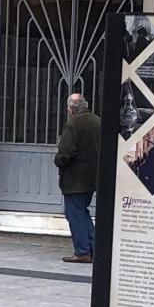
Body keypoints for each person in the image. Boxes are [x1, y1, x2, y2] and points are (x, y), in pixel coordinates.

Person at [54, 92, 99, 263]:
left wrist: (58, 161)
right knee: (82, 212)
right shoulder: (97, 121)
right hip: (92, 177)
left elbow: (66, 152)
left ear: (71, 109)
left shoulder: (73, 124)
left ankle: (82, 251)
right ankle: (93, 247)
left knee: (74, 214)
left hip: (75, 178)